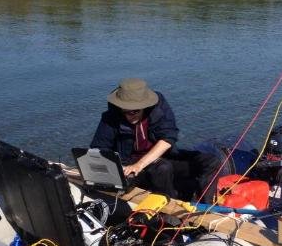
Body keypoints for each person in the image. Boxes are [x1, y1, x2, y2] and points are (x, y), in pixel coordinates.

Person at [90, 78, 220, 203]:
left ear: (144, 106)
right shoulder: (111, 117)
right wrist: (122, 168)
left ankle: (204, 208)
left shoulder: (158, 107)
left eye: (134, 112)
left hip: (160, 157)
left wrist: (141, 163)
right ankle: (169, 216)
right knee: (163, 168)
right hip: (131, 164)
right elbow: (98, 149)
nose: (129, 116)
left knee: (211, 161)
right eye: (125, 112)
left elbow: (169, 137)